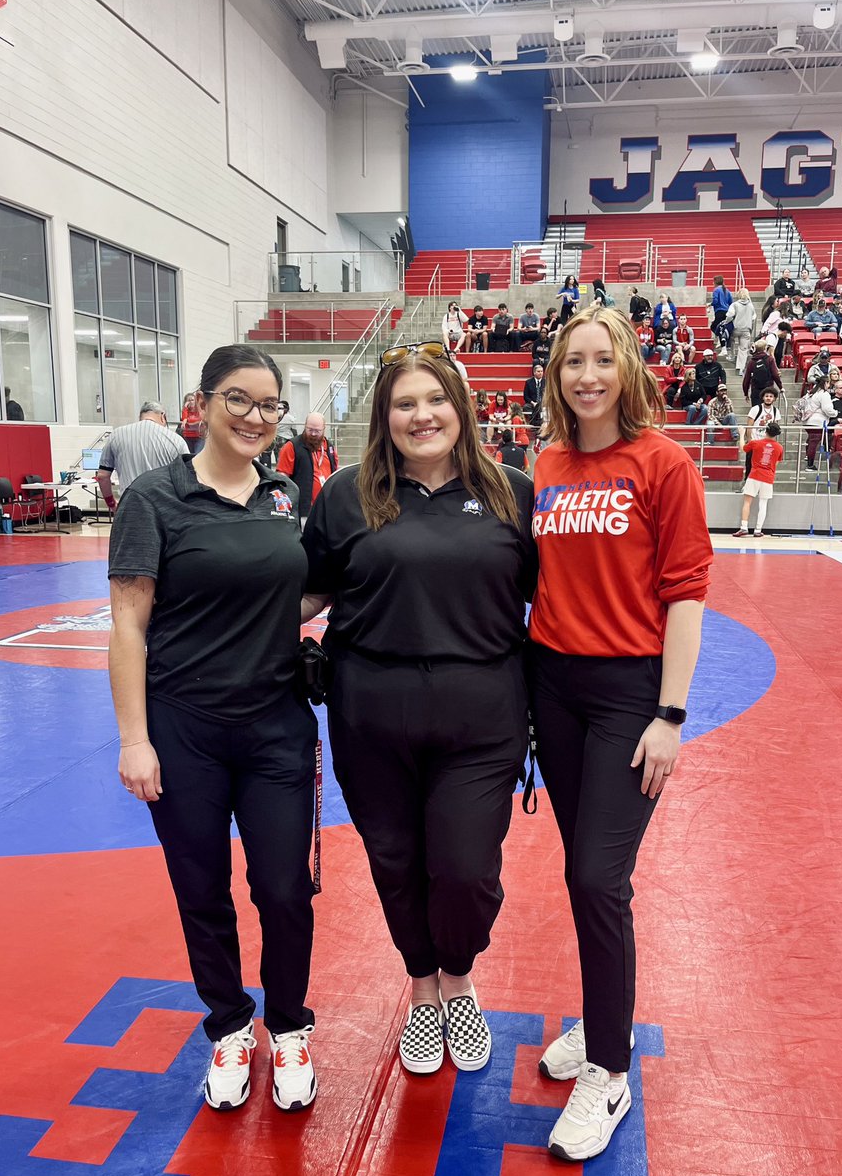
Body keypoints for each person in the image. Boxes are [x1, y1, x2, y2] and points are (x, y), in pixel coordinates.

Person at [301, 341, 536, 1079]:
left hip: (484, 713)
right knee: (396, 861)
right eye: (405, 403)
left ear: (461, 408)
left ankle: (459, 975)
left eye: (435, 400)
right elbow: (308, 592)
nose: (422, 415)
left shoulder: (512, 490)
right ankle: (422, 986)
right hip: (370, 711)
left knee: (465, 869)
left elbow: (560, 598)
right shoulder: (345, 492)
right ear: (385, 415)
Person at [106, 344, 319, 1114]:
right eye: (240, 400)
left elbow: (293, 595)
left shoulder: (288, 494)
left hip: (275, 729)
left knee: (287, 889)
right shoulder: (154, 499)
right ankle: (230, 1024)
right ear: (200, 404)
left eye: (270, 406)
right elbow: (129, 624)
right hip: (184, 728)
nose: (257, 418)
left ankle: (290, 1026)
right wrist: (135, 738)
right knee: (202, 889)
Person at [529, 304, 711, 1163]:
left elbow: (685, 594)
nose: (588, 376)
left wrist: (670, 715)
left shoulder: (663, 463)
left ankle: (609, 1069)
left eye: (603, 360)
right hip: (553, 687)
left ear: (628, 368)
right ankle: (603, 1023)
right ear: (557, 374)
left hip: (628, 692)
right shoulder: (548, 463)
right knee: (583, 874)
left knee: (600, 878)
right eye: (574, 362)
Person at [97, 400, 189, 512]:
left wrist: (111, 504)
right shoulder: (176, 440)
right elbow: (187, 478)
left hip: (129, 507)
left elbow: (102, 476)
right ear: (163, 416)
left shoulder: (116, 435)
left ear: (140, 416)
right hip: (163, 508)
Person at [276, 412, 338, 520]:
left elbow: (335, 474)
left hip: (326, 508)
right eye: (310, 430)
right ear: (305, 426)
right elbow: (282, 478)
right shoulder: (292, 446)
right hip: (302, 510)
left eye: (317, 431)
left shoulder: (329, 448)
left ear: (324, 428)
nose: (313, 434)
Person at [733, 422, 783, 537]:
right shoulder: (779, 447)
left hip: (755, 475)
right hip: (768, 477)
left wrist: (742, 434)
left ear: (766, 431)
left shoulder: (756, 443)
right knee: (763, 504)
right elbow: (777, 462)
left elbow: (742, 449)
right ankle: (758, 530)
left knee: (747, 502)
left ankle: (744, 527)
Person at [740, 387, 781, 484]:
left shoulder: (776, 411)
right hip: (755, 441)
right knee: (750, 465)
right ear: (763, 397)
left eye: (771, 396)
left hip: (767, 443)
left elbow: (775, 427)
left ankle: (761, 484)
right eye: (766, 396)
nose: (768, 398)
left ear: (774, 399)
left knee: (764, 466)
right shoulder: (755, 409)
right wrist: (749, 439)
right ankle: (747, 484)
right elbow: (749, 425)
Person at [796, 376, 837, 470]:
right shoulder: (824, 394)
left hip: (807, 421)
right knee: (813, 443)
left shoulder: (811, 393)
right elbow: (827, 409)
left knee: (811, 440)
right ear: (826, 383)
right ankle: (810, 465)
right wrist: (835, 413)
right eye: (828, 383)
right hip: (817, 422)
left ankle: (808, 457)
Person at [725, 288, 757, 375]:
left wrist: (727, 322)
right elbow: (754, 319)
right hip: (746, 329)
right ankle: (740, 368)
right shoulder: (751, 306)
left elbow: (729, 315)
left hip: (735, 328)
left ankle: (731, 355)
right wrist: (751, 329)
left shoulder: (734, 304)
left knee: (730, 340)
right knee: (743, 349)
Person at [742, 340, 782, 406]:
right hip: (768, 390)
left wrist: (746, 393)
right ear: (765, 348)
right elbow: (775, 374)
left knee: (756, 412)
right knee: (767, 411)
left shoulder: (751, 362)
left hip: (755, 390)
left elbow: (747, 379)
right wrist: (780, 387)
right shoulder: (770, 359)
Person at [709, 276, 733, 352]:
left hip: (719, 311)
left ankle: (721, 340)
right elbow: (731, 302)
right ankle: (722, 340)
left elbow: (715, 301)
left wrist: (710, 304)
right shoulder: (727, 290)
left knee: (714, 327)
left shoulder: (716, 290)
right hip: (726, 312)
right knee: (722, 327)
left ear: (716, 282)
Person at [523, 363, 546, 428]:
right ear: (534, 372)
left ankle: (538, 423)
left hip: (543, 403)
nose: (540, 373)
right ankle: (535, 422)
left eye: (541, 371)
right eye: (538, 371)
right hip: (532, 404)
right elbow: (526, 396)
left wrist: (542, 403)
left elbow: (549, 395)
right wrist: (533, 403)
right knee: (526, 407)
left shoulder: (546, 382)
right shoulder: (528, 382)